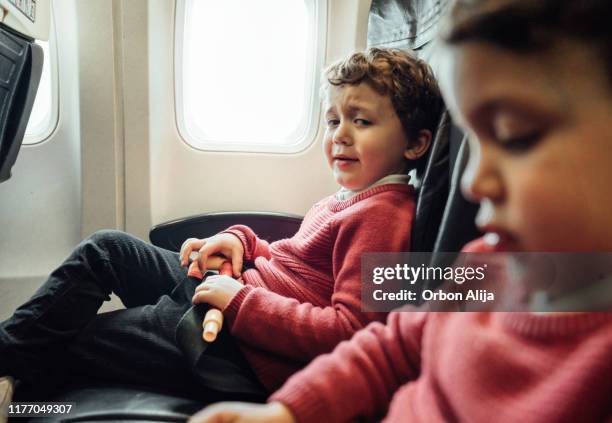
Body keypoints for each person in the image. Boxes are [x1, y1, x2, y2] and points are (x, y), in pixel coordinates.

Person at [188, 1, 612, 422]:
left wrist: (247, 303)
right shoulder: (488, 264)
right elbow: (391, 348)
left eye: (515, 136)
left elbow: (351, 323)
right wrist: (287, 412)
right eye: (474, 143)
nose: (473, 182)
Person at [0, 47, 443, 411]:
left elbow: (350, 331)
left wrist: (243, 304)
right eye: (333, 121)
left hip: (240, 350)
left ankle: (15, 388)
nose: (340, 135)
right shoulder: (345, 198)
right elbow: (292, 261)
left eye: (361, 121)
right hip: (232, 295)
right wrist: (240, 241)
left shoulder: (384, 217)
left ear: (415, 143)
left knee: (69, 340)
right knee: (107, 249)